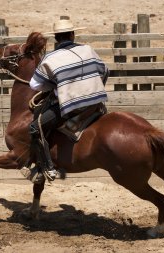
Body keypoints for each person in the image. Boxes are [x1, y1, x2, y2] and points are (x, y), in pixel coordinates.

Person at [23, 18, 109, 183]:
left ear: (56, 38)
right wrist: (95, 90)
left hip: (73, 107)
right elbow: (105, 71)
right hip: (95, 104)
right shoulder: (88, 49)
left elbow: (35, 84)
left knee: (36, 127)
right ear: (73, 35)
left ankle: (48, 166)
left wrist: (56, 85)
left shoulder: (51, 57)